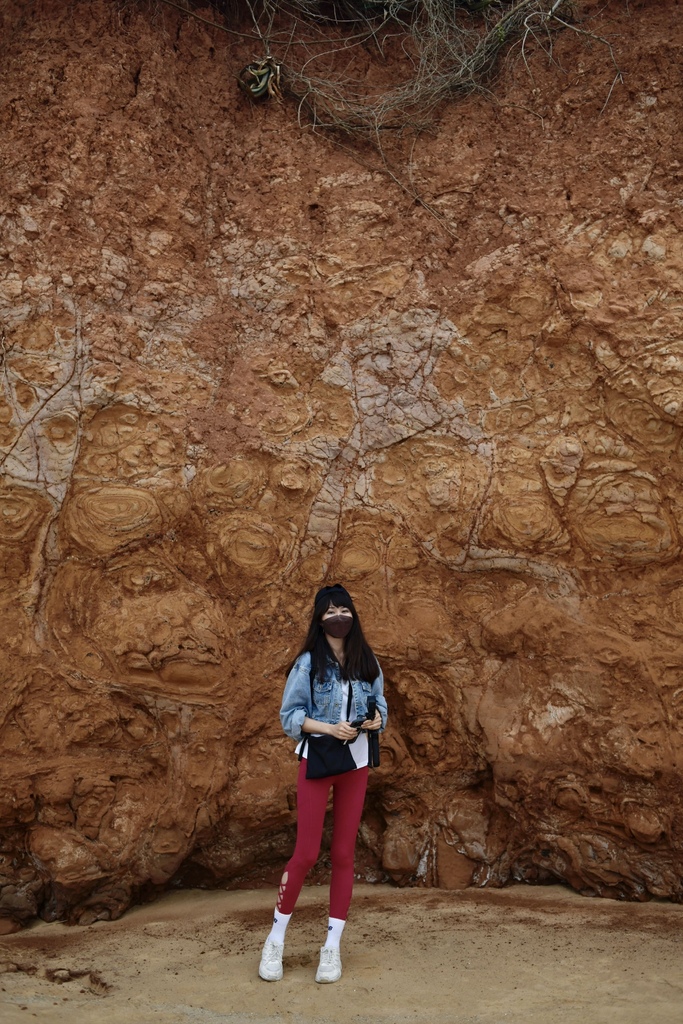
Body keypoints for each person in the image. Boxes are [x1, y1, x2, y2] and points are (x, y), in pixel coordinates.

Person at [258, 583, 387, 984]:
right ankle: (275, 938)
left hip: (357, 762)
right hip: (318, 759)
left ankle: (331, 948)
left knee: (345, 853)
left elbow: (380, 704)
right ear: (319, 619)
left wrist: (376, 720)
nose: (338, 616)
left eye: (344, 609)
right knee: (307, 853)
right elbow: (289, 717)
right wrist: (329, 728)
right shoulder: (307, 663)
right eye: (330, 610)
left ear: (353, 614)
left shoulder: (367, 660)